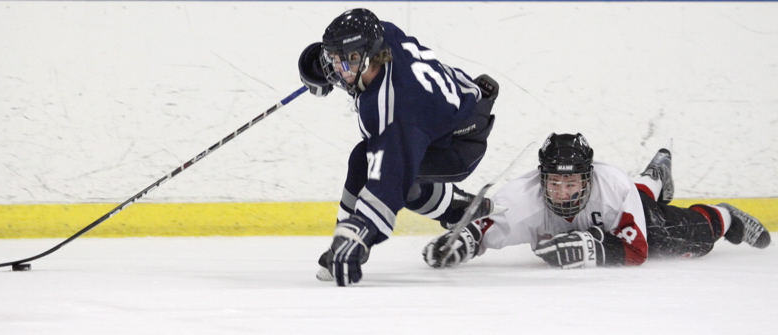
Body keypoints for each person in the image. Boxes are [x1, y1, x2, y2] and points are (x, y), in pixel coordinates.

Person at [298, 8, 502, 286]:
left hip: (458, 142)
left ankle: (343, 243)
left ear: (367, 56)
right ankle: (458, 207)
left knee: (372, 164)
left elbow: (388, 184)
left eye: (345, 61)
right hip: (458, 105)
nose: (337, 68)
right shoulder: (383, 37)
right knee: (378, 160)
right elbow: (355, 50)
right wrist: (319, 70)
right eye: (333, 59)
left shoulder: (397, 113)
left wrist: (359, 234)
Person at [423, 133, 771, 269]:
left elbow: (638, 251)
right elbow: (482, 229)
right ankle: (653, 177)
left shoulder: (613, 188)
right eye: (554, 181)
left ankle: (726, 218)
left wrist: (592, 248)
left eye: (571, 181)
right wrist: (461, 243)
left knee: (677, 234)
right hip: (625, 198)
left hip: (626, 205)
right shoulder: (520, 198)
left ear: (587, 177)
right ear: (541, 178)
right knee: (639, 200)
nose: (561, 191)